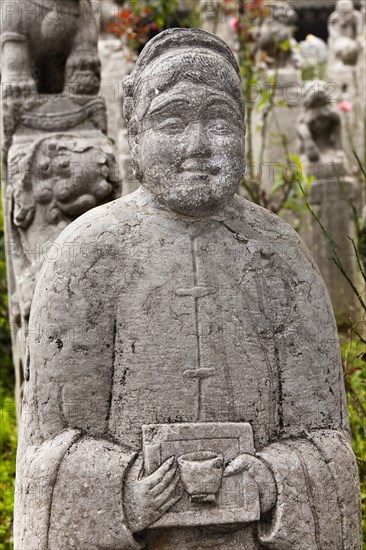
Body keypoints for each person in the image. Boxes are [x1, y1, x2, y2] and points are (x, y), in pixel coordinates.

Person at [14, 28, 361, 549]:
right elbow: (47, 453)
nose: (199, 145)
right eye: (173, 120)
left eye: (220, 120)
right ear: (134, 135)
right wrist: (126, 490)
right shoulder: (85, 255)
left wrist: (271, 480)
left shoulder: (280, 255)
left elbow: (327, 444)